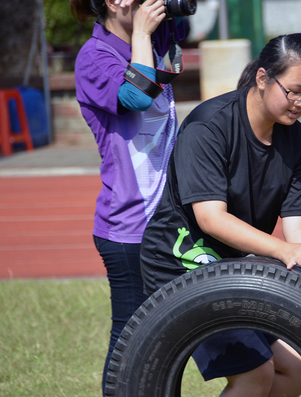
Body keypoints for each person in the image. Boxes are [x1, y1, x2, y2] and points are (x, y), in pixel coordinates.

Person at [140, 33, 301, 397]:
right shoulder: (209, 126)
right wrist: (282, 252)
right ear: (263, 78)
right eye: (294, 91)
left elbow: (298, 224)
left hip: (235, 266)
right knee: (255, 374)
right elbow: (210, 218)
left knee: (299, 368)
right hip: (180, 264)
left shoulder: (297, 141)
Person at [70, 0, 185, 393]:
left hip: (166, 220)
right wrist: (140, 34)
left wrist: (147, 32)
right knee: (131, 337)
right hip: (128, 228)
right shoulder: (95, 56)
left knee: (170, 335)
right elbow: (135, 98)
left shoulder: (157, 37)